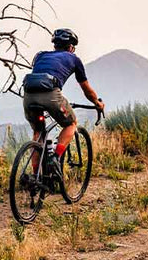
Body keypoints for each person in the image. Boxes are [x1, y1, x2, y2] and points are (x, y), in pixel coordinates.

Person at [21, 29, 105, 174]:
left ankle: (35, 176)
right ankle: (55, 157)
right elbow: (86, 89)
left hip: (28, 95)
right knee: (71, 124)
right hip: (51, 95)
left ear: (55, 45)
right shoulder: (74, 59)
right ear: (71, 47)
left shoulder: (40, 55)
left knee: (38, 132)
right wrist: (97, 103)